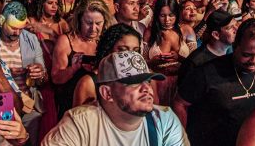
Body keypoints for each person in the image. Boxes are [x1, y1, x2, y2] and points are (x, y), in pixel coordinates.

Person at [42, 50, 189, 146]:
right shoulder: (79, 124)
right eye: (134, 83)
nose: (147, 89)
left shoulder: (164, 120)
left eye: (148, 81)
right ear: (107, 93)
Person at [173, 19, 255, 146]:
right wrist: (181, 139)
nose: (254, 60)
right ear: (235, 46)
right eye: (247, 54)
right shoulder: (207, 72)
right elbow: (180, 102)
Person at [0, 1, 46, 142]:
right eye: (13, 28)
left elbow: (44, 78)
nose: (17, 33)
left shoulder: (31, 39)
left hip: (28, 106)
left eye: (21, 28)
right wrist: (5, 74)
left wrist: (39, 73)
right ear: (1, 20)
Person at [52, 0, 111, 118]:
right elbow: (56, 78)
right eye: (88, 23)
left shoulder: (107, 42)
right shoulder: (66, 40)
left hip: (100, 106)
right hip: (70, 105)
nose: (93, 29)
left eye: (98, 23)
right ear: (79, 20)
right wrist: (74, 68)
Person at [72, 23, 143, 107]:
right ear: (108, 49)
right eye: (123, 50)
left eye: (135, 51)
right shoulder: (89, 82)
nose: (129, 55)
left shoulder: (142, 78)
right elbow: (80, 118)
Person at [144, 0, 190, 106]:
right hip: (157, 84)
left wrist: (179, 58)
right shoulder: (150, 32)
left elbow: (195, 62)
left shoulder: (186, 30)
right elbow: (141, 62)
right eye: (162, 15)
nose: (167, 20)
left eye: (171, 15)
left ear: (177, 14)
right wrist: (153, 62)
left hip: (182, 84)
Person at [178, 10, 238, 84]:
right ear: (216, 35)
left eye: (236, 25)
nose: (236, 29)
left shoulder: (234, 56)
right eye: (230, 28)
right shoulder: (196, 62)